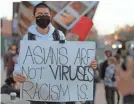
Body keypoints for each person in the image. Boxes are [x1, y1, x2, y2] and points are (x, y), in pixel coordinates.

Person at [13, 3, 97, 104]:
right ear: (34, 17)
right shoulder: (28, 38)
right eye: (40, 14)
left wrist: (87, 65)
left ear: (50, 16)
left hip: (55, 90)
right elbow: (21, 62)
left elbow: (67, 60)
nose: (44, 16)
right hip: (35, 91)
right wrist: (16, 74)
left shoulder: (59, 36)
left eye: (46, 14)